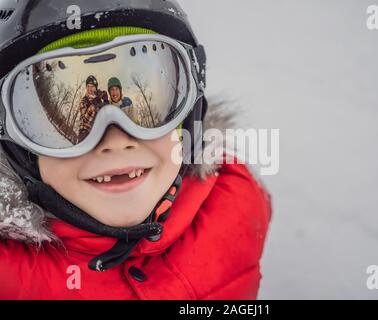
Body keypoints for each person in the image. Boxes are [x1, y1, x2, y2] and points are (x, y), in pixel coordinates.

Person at [0, 0, 272, 300]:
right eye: (59, 124)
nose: (115, 141)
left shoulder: (232, 204)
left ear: (187, 118)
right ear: (16, 148)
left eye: (151, 107)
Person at [79, 75, 109, 142]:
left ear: (96, 88)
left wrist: (106, 101)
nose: (90, 88)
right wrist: (95, 103)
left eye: (92, 86)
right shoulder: (84, 100)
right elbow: (85, 119)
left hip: (97, 135)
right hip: (85, 133)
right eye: (88, 86)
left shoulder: (98, 100)